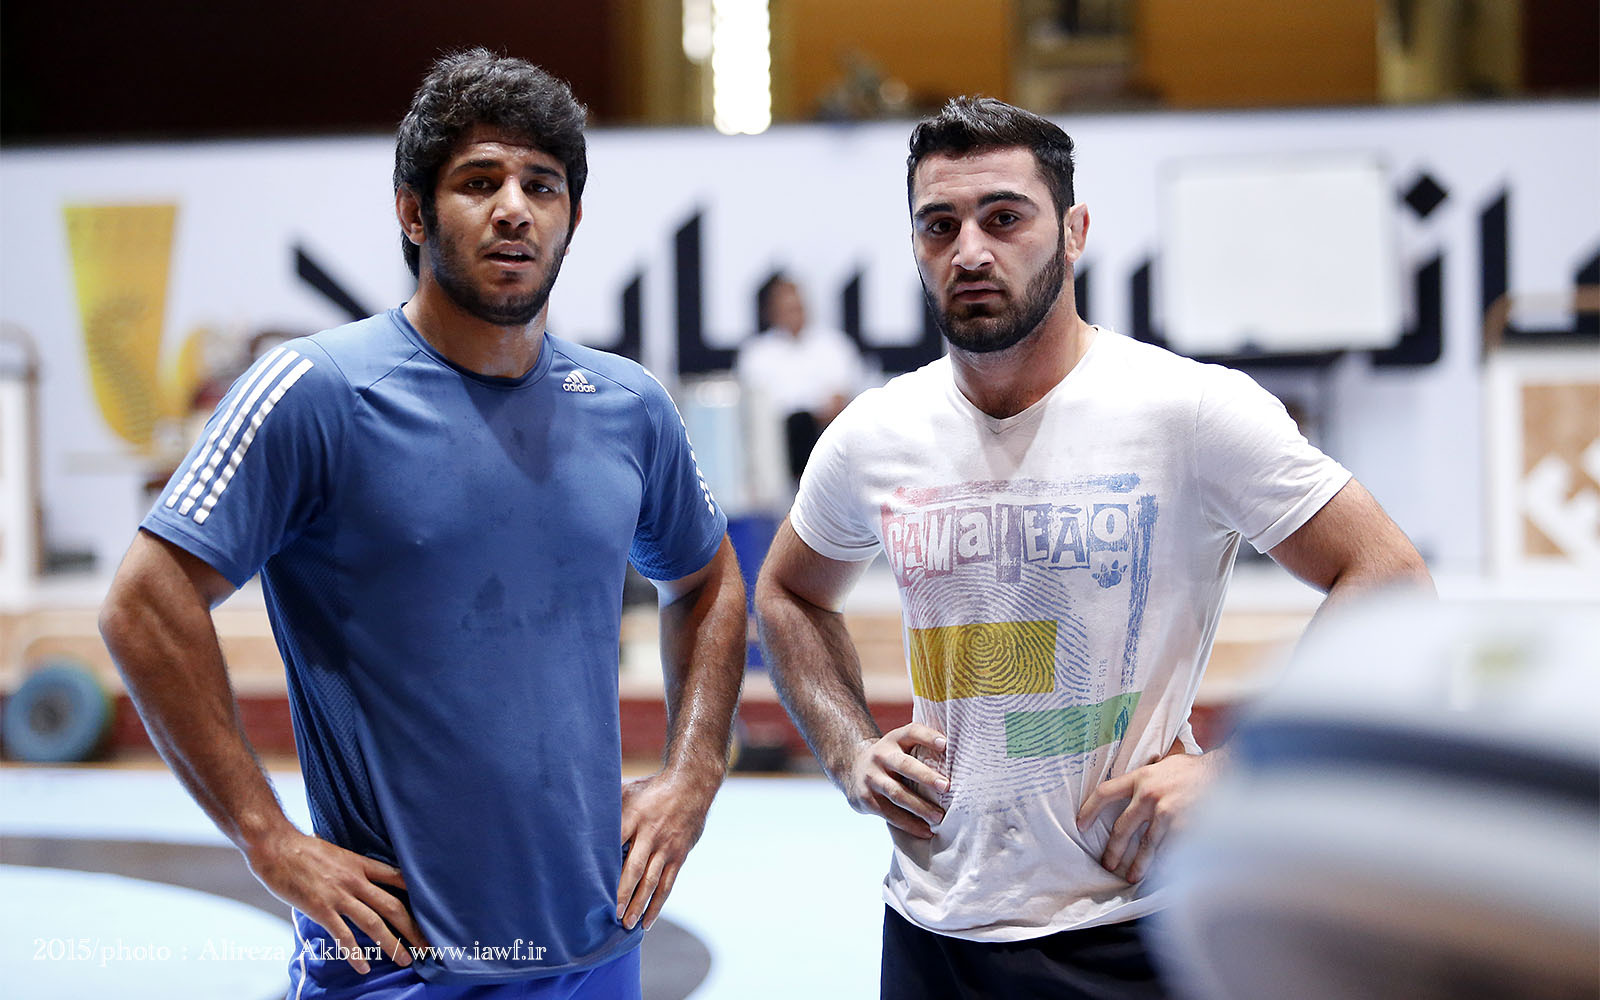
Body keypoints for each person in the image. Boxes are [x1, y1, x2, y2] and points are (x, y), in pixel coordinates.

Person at [98, 49, 746, 999]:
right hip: (396, 965)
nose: (515, 209)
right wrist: (267, 837)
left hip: (598, 947)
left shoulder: (627, 404)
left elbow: (709, 579)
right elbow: (144, 603)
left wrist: (693, 773)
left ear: (571, 218)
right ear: (413, 212)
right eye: (479, 182)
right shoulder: (318, 391)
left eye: (542, 186)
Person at [753, 97, 1434, 1000]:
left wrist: (1241, 770)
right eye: (939, 226)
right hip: (928, 931)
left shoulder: (1187, 410)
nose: (969, 251)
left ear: (1074, 232)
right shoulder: (876, 433)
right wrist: (849, 751)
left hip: (1128, 931)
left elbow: (1389, 575)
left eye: (1004, 218)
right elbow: (788, 593)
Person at [736, 273, 866, 483]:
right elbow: (754, 410)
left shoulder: (834, 346)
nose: (793, 315)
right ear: (772, 312)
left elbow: (839, 401)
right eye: (786, 309)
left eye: (797, 308)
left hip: (821, 441)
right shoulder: (756, 354)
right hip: (773, 447)